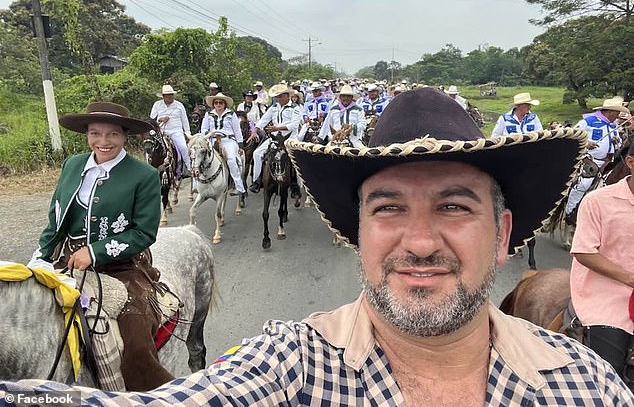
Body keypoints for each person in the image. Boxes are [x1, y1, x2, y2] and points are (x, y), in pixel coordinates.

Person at [6, 89, 631, 404]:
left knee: (227, 159)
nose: (418, 240)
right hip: (67, 258)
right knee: (242, 153)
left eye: (455, 205)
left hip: (121, 259)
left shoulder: (588, 386)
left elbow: (139, 228)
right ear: (355, 234)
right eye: (386, 207)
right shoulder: (290, 361)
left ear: (503, 234)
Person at [25, 101, 173, 391]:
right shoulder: (72, 165)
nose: (103, 142)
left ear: (125, 136)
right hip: (66, 259)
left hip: (122, 266)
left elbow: (144, 232)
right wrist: (40, 256)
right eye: (95, 133)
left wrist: (94, 252)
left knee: (136, 334)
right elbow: (56, 219)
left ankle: (145, 394)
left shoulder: (144, 175)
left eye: (112, 135)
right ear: (86, 134)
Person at [569, 142, 634, 381]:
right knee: (608, 372)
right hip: (608, 293)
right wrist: (630, 278)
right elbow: (584, 251)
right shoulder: (598, 202)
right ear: (630, 163)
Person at [564, 97, 631, 216]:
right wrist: (586, 143)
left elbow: (618, 142)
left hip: (610, 161)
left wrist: (617, 142)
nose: (618, 115)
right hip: (590, 160)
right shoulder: (588, 121)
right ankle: (570, 211)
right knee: (583, 184)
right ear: (610, 111)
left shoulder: (613, 125)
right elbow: (573, 136)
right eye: (617, 112)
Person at [247, 83, 302, 193]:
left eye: (280, 96)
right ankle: (257, 181)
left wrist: (277, 128)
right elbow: (264, 119)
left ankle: (295, 185)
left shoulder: (295, 108)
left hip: (289, 138)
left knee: (296, 158)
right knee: (257, 153)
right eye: (277, 97)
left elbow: (294, 125)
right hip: (275, 138)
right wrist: (255, 130)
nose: (279, 99)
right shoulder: (274, 107)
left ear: (287, 95)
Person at [200, 93, 246, 196]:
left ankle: (239, 187)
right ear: (213, 104)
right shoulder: (209, 115)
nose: (218, 104)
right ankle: (198, 184)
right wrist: (210, 133)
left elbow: (237, 131)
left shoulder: (231, 114)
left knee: (231, 160)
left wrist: (240, 146)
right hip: (212, 140)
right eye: (216, 103)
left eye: (221, 102)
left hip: (228, 140)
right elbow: (203, 129)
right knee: (200, 157)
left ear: (225, 104)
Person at [149, 84, 192, 175]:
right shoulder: (157, 105)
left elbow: (185, 120)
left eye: (171, 94)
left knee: (183, 147)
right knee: (151, 147)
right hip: (161, 131)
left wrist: (187, 133)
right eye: (168, 95)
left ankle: (189, 168)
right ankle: (150, 166)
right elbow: (152, 119)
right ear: (163, 96)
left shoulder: (179, 105)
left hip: (176, 131)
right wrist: (160, 119)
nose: (170, 97)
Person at [317, 84, 367, 148]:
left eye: (348, 96)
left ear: (352, 97)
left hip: (353, 140)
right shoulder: (333, 109)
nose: (345, 98)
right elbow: (327, 124)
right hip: (335, 139)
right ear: (340, 97)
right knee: (326, 152)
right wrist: (320, 138)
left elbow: (363, 124)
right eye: (343, 96)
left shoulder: (358, 110)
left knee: (363, 153)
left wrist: (351, 127)